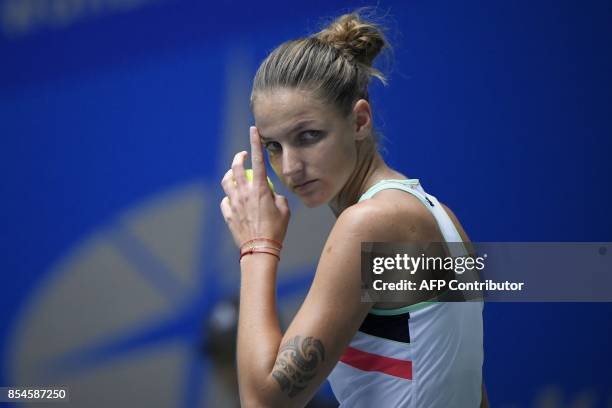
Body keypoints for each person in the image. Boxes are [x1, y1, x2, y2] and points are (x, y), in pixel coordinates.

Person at [220, 10, 486, 408]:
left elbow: (263, 402)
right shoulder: (439, 215)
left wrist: (257, 246)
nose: (290, 166)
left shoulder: (369, 223)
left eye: (309, 136)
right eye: (274, 146)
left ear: (360, 121)